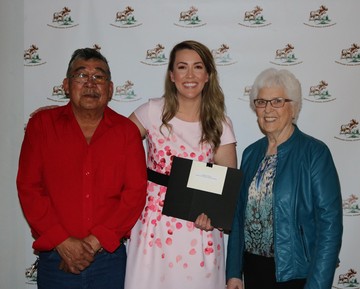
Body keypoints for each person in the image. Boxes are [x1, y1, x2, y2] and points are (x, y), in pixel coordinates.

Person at [17, 48, 147, 289]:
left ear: (111, 89)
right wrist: (63, 243)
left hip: (109, 260)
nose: (90, 83)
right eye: (81, 75)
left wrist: (95, 242)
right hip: (56, 259)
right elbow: (29, 188)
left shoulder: (126, 132)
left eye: (99, 77)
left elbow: (135, 193)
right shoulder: (42, 126)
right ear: (66, 85)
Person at [124, 40, 237, 289]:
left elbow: (227, 187)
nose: (190, 75)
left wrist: (213, 216)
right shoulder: (152, 111)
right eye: (182, 67)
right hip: (152, 229)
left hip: (199, 232)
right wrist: (72, 114)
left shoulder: (219, 123)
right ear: (171, 75)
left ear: (208, 75)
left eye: (198, 67)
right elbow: (111, 142)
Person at [226, 68, 343, 289]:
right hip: (253, 271)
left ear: (294, 108)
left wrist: (317, 285)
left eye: (278, 101)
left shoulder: (315, 153)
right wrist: (233, 271)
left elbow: (330, 226)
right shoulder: (250, 154)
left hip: (297, 274)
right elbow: (238, 216)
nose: (268, 109)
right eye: (261, 102)